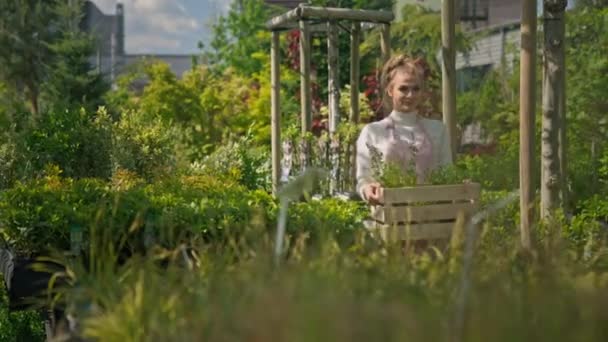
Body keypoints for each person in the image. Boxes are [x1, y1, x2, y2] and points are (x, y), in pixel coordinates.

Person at [356, 55, 453, 204]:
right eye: (403, 88)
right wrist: (367, 189)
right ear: (390, 90)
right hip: (389, 216)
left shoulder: (438, 130)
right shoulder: (373, 132)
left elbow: (448, 174)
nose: (410, 95)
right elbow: (363, 179)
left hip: (432, 217)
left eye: (416, 89)